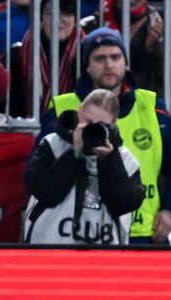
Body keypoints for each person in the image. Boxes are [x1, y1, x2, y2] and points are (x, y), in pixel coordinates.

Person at [45, 28, 171, 245]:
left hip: (141, 234)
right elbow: (40, 175)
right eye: (100, 58)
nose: (109, 64)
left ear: (125, 63)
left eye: (115, 57)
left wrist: (170, 210)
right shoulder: (62, 109)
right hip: (77, 233)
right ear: (87, 66)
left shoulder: (151, 108)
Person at [24, 89, 144, 245]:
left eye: (101, 125)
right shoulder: (53, 145)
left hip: (103, 252)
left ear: (113, 124)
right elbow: (43, 192)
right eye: (88, 121)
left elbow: (124, 204)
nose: (91, 129)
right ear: (79, 111)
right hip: (49, 247)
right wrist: (75, 154)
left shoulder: (124, 158)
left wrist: (109, 160)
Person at [10, 0, 84, 119]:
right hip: (28, 126)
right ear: (41, 17)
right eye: (50, 12)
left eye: (66, 13)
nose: (57, 19)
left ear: (75, 19)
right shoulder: (19, 54)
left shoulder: (87, 54)